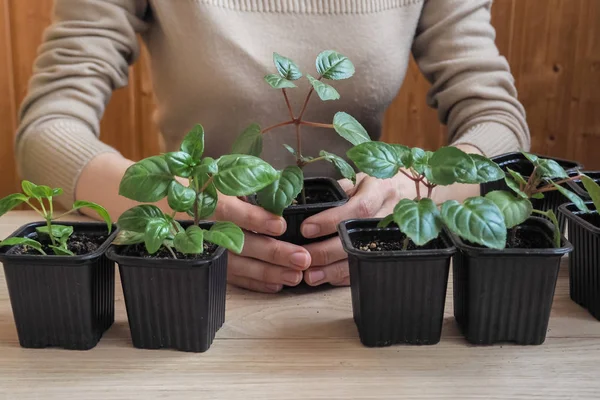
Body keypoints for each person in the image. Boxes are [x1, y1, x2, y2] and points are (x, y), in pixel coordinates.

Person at [15, 0, 530, 293]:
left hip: (370, 275)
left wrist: (417, 190)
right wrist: (170, 208)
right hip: (193, 276)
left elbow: (498, 121)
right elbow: (48, 128)